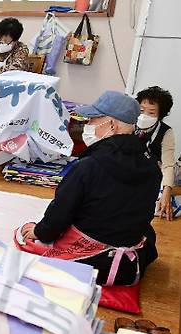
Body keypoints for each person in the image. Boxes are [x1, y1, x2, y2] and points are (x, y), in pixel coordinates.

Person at [16, 91, 162, 286]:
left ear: (111, 125)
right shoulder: (152, 165)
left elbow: (61, 212)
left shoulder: (89, 166)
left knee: (27, 234)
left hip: (93, 257)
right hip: (128, 262)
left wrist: (40, 232)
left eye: (93, 120)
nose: (87, 126)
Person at [135, 86, 178, 221]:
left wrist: (166, 191)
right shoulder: (129, 123)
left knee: (159, 208)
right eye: (141, 110)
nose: (144, 116)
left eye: (151, 112)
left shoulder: (166, 132)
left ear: (160, 115)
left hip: (155, 171)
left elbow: (168, 165)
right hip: (132, 169)